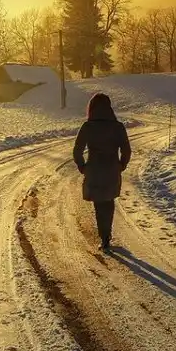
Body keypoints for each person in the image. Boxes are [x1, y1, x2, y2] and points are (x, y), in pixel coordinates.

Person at [74, 92, 132, 252]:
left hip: (94, 169)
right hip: (112, 169)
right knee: (109, 201)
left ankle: (104, 237)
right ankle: (107, 235)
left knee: (99, 204)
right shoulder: (118, 127)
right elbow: (126, 150)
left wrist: (82, 167)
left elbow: (77, 151)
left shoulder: (88, 127)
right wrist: (121, 165)